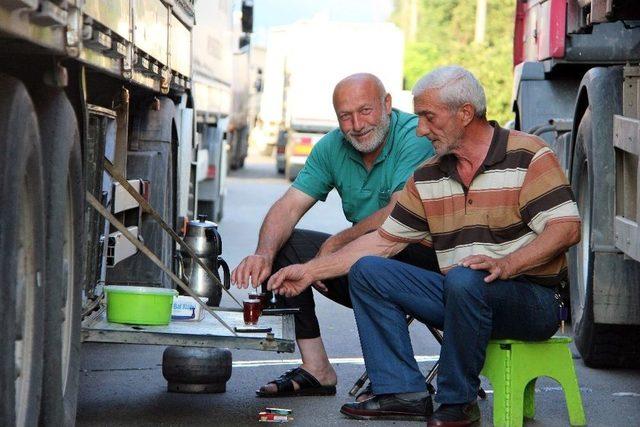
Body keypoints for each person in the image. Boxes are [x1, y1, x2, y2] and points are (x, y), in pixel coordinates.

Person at [267, 66, 581, 425]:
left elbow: (566, 229)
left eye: (428, 118)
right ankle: (401, 391)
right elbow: (383, 242)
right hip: (460, 293)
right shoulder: (429, 175)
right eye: (418, 118)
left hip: (530, 300)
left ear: (464, 114)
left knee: (464, 280)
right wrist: (308, 271)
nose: (420, 129)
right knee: (369, 271)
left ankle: (457, 402)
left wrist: (509, 264)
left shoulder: (528, 155)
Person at [231, 73, 438, 398]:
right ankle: (317, 369)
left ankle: (399, 384)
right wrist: (263, 255)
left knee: (367, 258)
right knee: (288, 246)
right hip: (364, 262)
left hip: (421, 266)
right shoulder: (332, 147)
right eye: (346, 116)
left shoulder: (414, 137)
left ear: (386, 105)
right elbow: (288, 207)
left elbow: (399, 215)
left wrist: (336, 244)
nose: (357, 124)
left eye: (366, 111)